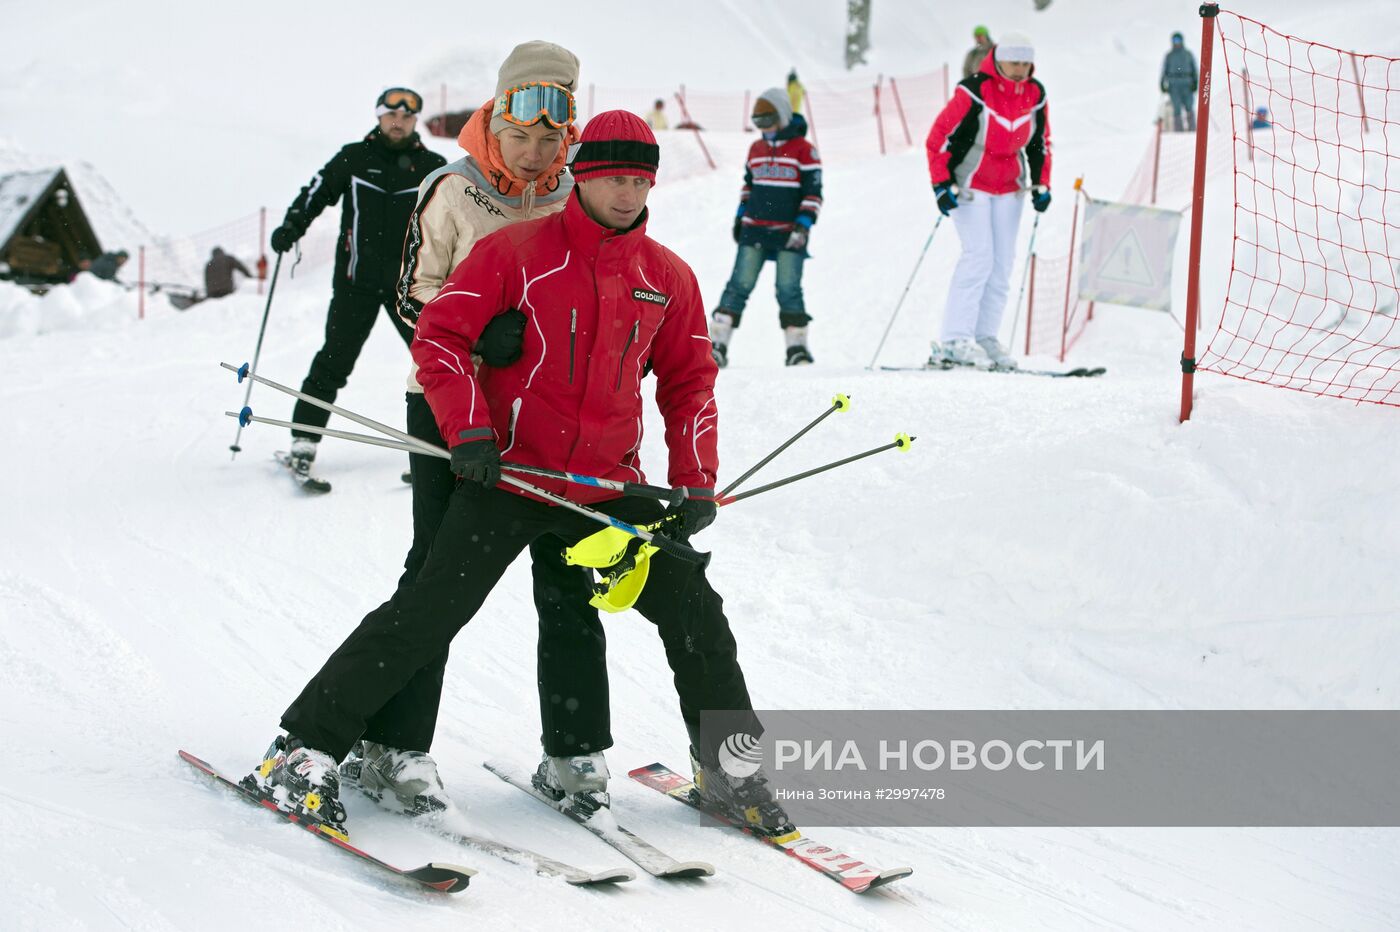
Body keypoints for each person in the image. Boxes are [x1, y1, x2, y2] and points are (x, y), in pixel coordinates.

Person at [247, 111, 794, 841]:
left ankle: (730, 775)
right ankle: (303, 749)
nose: (627, 195)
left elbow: (690, 382)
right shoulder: (517, 253)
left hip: (606, 490)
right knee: (428, 612)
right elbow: (440, 337)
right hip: (511, 477)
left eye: (640, 180)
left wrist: (695, 479)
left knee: (696, 613)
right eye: (612, 179)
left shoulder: (666, 277)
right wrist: (467, 429)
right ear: (583, 177)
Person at [377, 41, 610, 814]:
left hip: (543, 418)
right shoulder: (453, 190)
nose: (537, 151)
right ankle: (396, 746)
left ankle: (575, 756)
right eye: (523, 133)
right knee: (438, 575)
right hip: (449, 406)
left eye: (553, 138)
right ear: (497, 118)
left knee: (568, 570)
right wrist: (479, 335)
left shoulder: (576, 194)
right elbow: (411, 294)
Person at [268, 87, 447, 481]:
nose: (397, 121)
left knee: (434, 363)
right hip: (356, 283)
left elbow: (456, 217)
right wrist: (292, 226)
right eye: (390, 115)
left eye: (406, 116)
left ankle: (439, 447)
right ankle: (304, 439)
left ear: (416, 121)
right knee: (334, 360)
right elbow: (315, 193)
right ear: (379, 116)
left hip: (411, 286)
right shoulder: (354, 158)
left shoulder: (432, 166)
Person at [925, 31, 1051, 370]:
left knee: (1002, 264)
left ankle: (984, 336)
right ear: (998, 59)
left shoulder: (1035, 94)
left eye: (1026, 63)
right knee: (978, 256)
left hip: (1010, 188)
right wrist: (941, 183)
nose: (1020, 70)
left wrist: (1041, 183)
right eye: (1014, 62)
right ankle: (955, 338)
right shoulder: (974, 89)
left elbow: (1040, 142)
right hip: (970, 184)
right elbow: (937, 138)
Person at [709, 89, 822, 368]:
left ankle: (796, 347)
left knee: (788, 287)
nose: (764, 130)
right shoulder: (756, 150)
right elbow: (749, 185)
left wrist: (804, 226)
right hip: (755, 229)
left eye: (768, 122)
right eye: (759, 124)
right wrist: (740, 215)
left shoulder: (804, 151)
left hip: (790, 231)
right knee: (739, 284)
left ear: (782, 116)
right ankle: (717, 343)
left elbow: (814, 192)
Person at [1161, 32, 1198, 132]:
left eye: (1178, 40)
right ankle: (1179, 130)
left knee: (1189, 106)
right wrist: (1162, 83)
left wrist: (1196, 83)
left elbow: (1194, 69)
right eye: (1174, 40)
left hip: (1187, 84)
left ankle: (1192, 129)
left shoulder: (1188, 54)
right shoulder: (1169, 56)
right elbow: (1164, 70)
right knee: (1176, 108)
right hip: (1174, 85)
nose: (1176, 43)